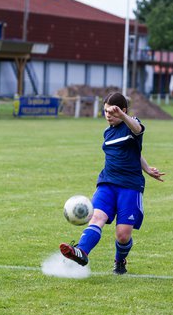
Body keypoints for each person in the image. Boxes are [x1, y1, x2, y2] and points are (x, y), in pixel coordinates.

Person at [60, 92, 165, 274]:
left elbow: (138, 130)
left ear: (123, 110)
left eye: (112, 111)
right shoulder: (108, 132)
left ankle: (120, 261)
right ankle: (81, 251)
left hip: (130, 186)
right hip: (107, 183)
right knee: (97, 217)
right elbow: (135, 152)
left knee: (123, 235)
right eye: (105, 111)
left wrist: (123, 116)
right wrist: (147, 168)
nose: (108, 115)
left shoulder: (131, 123)